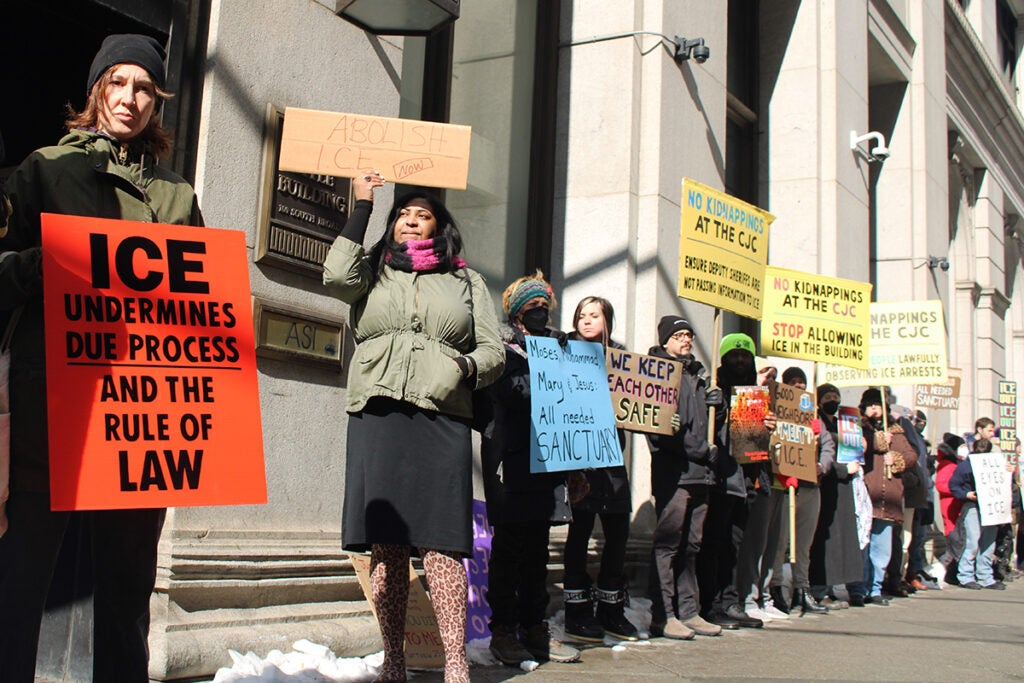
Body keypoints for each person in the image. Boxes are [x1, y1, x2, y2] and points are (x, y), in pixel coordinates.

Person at [0, 34, 203, 682]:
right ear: (97, 92)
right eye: (118, 82)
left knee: (126, 595)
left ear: (157, 103)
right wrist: (50, 266)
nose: (130, 98)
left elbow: (196, 303)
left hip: (141, 413)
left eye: (144, 88)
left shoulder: (176, 197)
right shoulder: (44, 169)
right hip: (49, 403)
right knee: (20, 579)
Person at [323, 177, 505, 683]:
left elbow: (493, 351)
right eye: (403, 213)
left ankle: (454, 663)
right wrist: (362, 205)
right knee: (387, 543)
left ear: (440, 227)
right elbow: (335, 276)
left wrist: (463, 371)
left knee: (442, 542)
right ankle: (394, 658)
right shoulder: (373, 271)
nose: (411, 220)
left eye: (423, 215)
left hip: (441, 413)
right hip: (379, 411)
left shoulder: (467, 282)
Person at [479, 272, 581, 666]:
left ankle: (535, 627)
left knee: (538, 549)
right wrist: (548, 369)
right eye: (531, 307)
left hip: (548, 461)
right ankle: (503, 631)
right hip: (511, 461)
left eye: (544, 307)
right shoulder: (503, 348)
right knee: (509, 548)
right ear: (518, 312)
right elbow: (508, 392)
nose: (539, 313)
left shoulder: (558, 347)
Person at [561, 296, 639, 642]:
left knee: (618, 533)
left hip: (611, 460)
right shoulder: (562, 348)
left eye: (594, 315)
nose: (586, 320)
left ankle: (611, 608)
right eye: (582, 315)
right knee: (579, 535)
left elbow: (639, 401)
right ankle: (577, 610)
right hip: (579, 461)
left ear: (608, 320)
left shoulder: (621, 358)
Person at [645, 315, 722, 639]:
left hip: (700, 474)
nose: (686, 340)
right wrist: (698, 450)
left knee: (691, 545)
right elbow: (660, 430)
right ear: (665, 341)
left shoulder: (698, 375)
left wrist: (720, 405)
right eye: (678, 335)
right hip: (674, 473)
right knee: (668, 544)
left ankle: (689, 610)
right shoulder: (656, 372)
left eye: (689, 334)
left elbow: (703, 422)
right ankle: (663, 614)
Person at [697, 333, 773, 629]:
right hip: (719, 479)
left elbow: (754, 442)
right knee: (714, 543)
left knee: (735, 546)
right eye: (734, 355)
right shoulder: (712, 389)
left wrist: (767, 426)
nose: (740, 360)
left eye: (745, 356)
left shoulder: (756, 394)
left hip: (745, 481)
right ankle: (711, 603)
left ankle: (731, 601)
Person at [765, 367, 830, 616]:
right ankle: (779, 589)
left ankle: (803, 588)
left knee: (804, 544)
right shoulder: (777, 409)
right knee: (780, 541)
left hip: (809, 486)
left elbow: (828, 446)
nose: (799, 386)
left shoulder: (811, 412)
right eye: (793, 382)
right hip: (784, 485)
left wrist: (821, 465)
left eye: (802, 382)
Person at [848, 388, 917, 607]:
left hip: (889, 501)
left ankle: (874, 587)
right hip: (866, 494)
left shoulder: (896, 431)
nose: (874, 410)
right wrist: (877, 442)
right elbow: (853, 448)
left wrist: (895, 459)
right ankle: (858, 587)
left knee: (881, 549)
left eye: (877, 405)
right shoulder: (858, 428)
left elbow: (911, 456)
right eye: (870, 406)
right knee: (862, 546)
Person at [808, 383, 864, 609]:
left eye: (836, 396)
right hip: (825, 484)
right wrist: (842, 470)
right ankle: (820, 589)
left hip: (843, 489)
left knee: (839, 541)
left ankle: (833, 585)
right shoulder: (815, 418)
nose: (833, 400)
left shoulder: (845, 421)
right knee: (824, 539)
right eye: (828, 396)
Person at [949, 438, 1005, 590]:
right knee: (972, 542)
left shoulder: (994, 464)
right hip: (973, 506)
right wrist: (966, 494)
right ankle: (966, 576)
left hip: (990, 507)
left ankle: (985, 576)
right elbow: (953, 485)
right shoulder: (966, 466)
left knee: (988, 543)